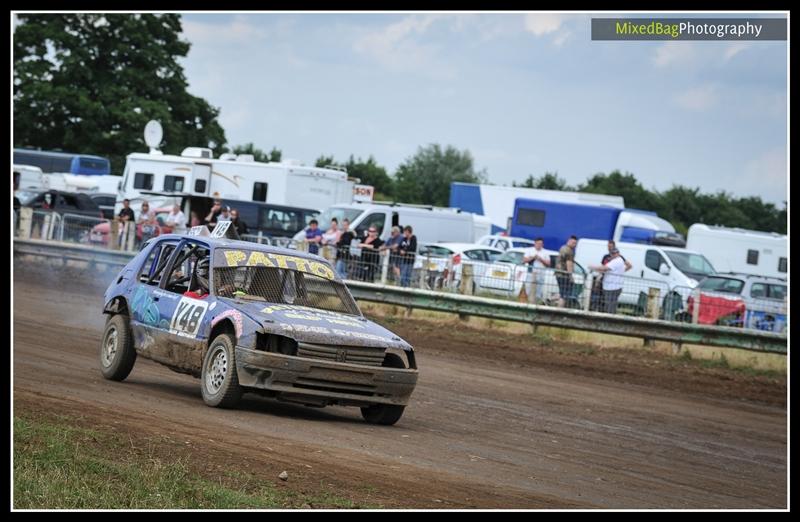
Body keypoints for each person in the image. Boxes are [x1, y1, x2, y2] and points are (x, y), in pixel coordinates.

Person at [591, 240, 633, 311]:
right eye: (608, 246)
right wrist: (598, 279)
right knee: (603, 300)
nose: (609, 248)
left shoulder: (619, 258)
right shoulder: (606, 256)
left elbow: (629, 265)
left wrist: (620, 272)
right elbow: (602, 268)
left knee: (610, 303)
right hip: (604, 280)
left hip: (612, 285)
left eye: (610, 246)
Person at [522, 237, 550, 303]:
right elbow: (524, 260)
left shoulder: (545, 252)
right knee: (528, 289)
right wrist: (533, 257)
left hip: (540, 274)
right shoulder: (529, 250)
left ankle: (536, 303)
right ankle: (528, 302)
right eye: (538, 243)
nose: (539, 245)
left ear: (543, 244)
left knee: (538, 291)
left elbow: (548, 263)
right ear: (535, 243)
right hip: (531, 273)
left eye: (541, 244)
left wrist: (541, 259)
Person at [555, 235, 578, 308]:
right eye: (573, 243)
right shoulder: (569, 251)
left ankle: (550, 299)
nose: (574, 245)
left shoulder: (562, 248)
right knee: (564, 295)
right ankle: (559, 311)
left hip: (558, 273)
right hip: (564, 275)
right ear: (569, 241)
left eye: (575, 243)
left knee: (562, 292)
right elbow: (569, 264)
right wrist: (571, 276)